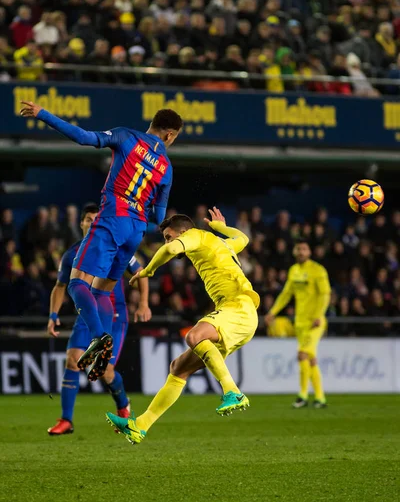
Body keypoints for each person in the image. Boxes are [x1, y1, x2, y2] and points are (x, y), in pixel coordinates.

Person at [20, 101, 183, 381]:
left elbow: (84, 137)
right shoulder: (166, 167)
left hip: (112, 220)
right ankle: (104, 349)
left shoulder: (126, 136)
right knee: (102, 291)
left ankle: (99, 339)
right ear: (169, 135)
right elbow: (158, 216)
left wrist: (42, 114)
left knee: (76, 283)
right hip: (136, 231)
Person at [105, 207, 260, 445]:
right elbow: (243, 238)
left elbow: (171, 249)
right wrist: (220, 227)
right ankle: (140, 426)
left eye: (169, 235)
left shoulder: (194, 235)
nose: (168, 241)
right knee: (178, 368)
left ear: (183, 232)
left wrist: (148, 271)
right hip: (241, 315)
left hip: (238, 307)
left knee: (194, 336)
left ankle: (233, 392)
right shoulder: (221, 244)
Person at [47, 204, 150, 436]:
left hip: (113, 315)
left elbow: (140, 273)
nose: (92, 222)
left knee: (106, 371)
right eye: (88, 219)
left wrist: (143, 303)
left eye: (96, 218)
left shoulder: (116, 245)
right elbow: (60, 286)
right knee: (72, 360)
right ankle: (66, 420)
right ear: (82, 224)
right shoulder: (71, 255)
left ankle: (123, 407)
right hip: (87, 316)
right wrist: (53, 316)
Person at [266, 240, 331, 409]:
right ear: (295, 252)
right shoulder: (294, 271)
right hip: (300, 322)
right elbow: (286, 294)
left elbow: (325, 294)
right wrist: (273, 312)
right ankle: (320, 398)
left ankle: (302, 396)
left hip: (315, 322)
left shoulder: (317, 270)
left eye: (304, 249)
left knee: (302, 354)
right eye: (299, 249)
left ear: (309, 252)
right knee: (311, 359)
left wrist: (319, 315)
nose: (301, 252)